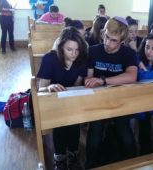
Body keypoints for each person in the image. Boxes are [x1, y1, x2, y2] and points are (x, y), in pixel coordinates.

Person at [85, 16, 137, 169]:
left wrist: (103, 81)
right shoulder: (93, 51)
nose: (108, 43)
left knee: (125, 134)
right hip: (97, 101)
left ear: (122, 41)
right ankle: (91, 164)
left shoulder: (128, 53)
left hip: (120, 101)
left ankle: (132, 164)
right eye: (106, 37)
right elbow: (88, 78)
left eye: (114, 40)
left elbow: (132, 76)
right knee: (94, 133)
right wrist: (93, 82)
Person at [37, 27, 88, 170]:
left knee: (73, 121)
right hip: (52, 101)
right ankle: (59, 157)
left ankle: (73, 154)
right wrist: (50, 87)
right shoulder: (50, 59)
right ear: (61, 47)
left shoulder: (81, 59)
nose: (74, 54)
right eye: (69, 49)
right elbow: (41, 89)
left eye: (77, 50)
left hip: (71, 100)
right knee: (60, 123)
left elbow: (77, 85)